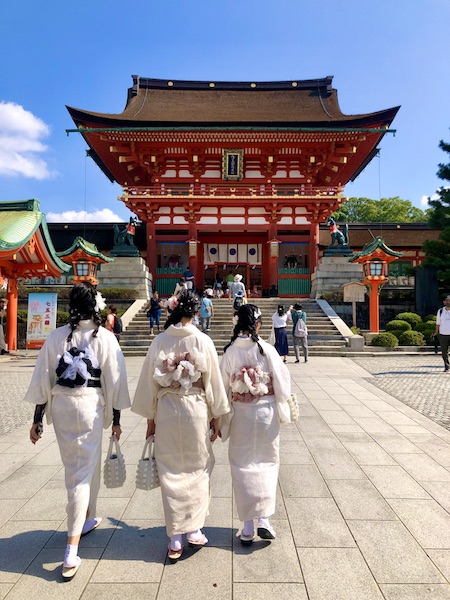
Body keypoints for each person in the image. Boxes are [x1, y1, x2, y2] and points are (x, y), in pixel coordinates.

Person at [25, 282, 131, 580]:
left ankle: (87, 516)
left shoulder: (57, 336)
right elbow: (115, 380)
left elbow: (43, 377)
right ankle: (71, 549)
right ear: (95, 306)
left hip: (61, 405)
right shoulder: (106, 338)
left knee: (78, 466)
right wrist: (117, 418)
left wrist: (37, 418)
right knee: (80, 474)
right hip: (89, 406)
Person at [131, 290, 229, 562]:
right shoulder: (202, 340)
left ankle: (175, 536)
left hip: (166, 408)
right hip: (196, 406)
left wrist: (151, 419)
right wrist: (217, 416)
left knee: (171, 467)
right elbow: (214, 384)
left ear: (174, 309)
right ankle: (194, 529)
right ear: (196, 312)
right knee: (198, 466)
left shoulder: (160, 341)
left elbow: (149, 384)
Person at [220, 303, 291, 545]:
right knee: (268, 462)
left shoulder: (230, 352)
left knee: (241, 465)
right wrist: (281, 402)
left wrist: (218, 417)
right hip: (266, 413)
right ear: (258, 325)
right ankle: (265, 520)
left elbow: (221, 388)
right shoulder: (267, 350)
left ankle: (248, 526)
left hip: (241, 413)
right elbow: (282, 382)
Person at [433, 295, 450, 372]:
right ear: (444, 302)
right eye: (446, 300)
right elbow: (438, 323)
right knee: (444, 351)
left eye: (449, 301)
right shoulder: (440, 311)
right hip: (443, 334)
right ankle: (447, 366)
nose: (448, 302)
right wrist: (436, 332)